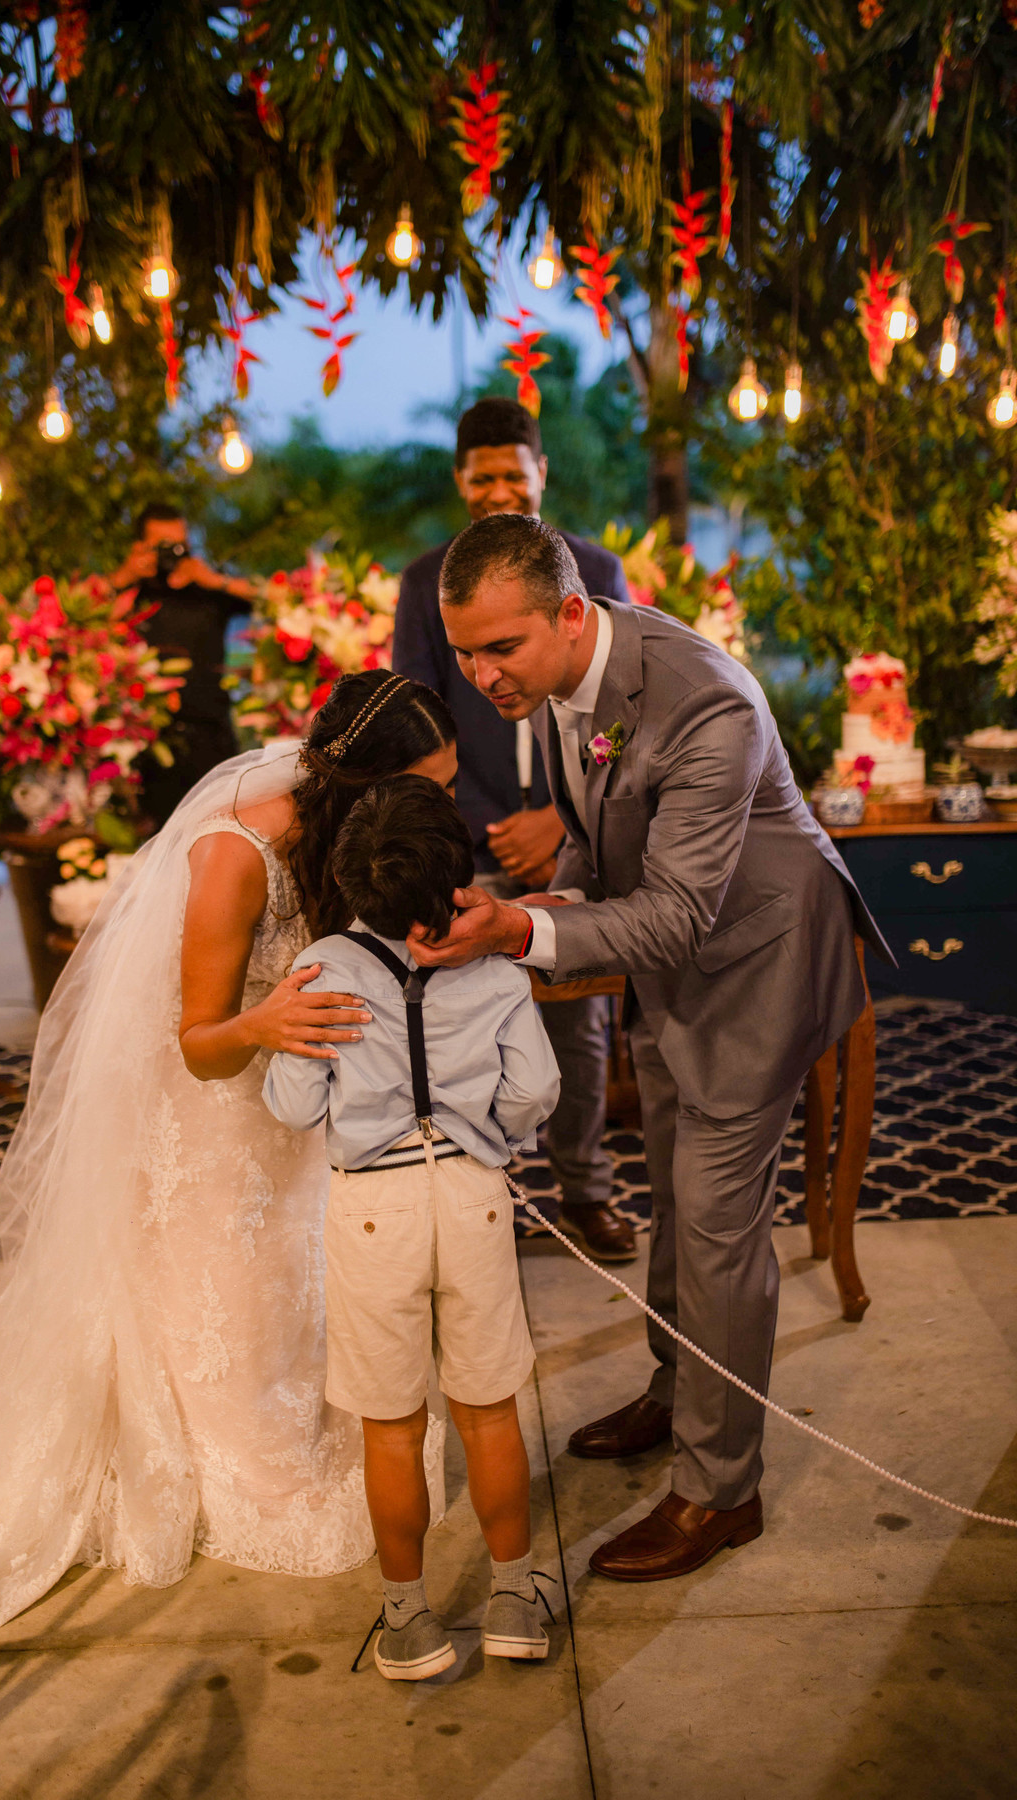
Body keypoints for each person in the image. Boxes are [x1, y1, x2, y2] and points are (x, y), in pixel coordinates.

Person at [0, 671, 459, 1630]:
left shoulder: (362, 847)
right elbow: (197, 1042)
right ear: (366, 785)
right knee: (230, 1304)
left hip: (299, 1112)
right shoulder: (236, 852)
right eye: (432, 787)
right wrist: (270, 1020)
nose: (446, 808)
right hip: (215, 1118)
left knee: (301, 1287)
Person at [406, 514, 893, 1582]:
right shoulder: (566, 676)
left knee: (717, 1222)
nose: (481, 675)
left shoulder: (703, 697)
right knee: (675, 1196)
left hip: (756, 960)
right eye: (466, 652)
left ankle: (722, 1491)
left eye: (502, 649)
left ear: (571, 615)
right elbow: (606, 830)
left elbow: (673, 914)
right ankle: (679, 1389)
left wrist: (519, 929)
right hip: (675, 964)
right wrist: (543, 895)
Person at [263, 775, 561, 1680]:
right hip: (471, 1195)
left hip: (372, 1212)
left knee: (390, 1427)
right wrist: (491, 1141)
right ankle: (514, 1598)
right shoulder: (498, 964)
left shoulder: (321, 968)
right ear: (454, 871)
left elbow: (293, 1101)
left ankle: (408, 1622)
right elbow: (535, 1089)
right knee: (490, 1408)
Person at [393, 397, 636, 1264]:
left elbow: (623, 714)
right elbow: (420, 712)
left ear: (542, 474)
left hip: (572, 829)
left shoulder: (597, 565)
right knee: (464, 1020)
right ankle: (484, 1201)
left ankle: (586, 1192)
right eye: (482, 474)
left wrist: (557, 820)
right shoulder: (429, 581)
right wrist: (482, 824)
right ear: (462, 482)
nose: (500, 487)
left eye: (514, 471)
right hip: (473, 834)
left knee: (579, 1023)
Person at [107, 502, 256, 827]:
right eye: (163, 546)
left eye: (180, 544)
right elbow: (77, 621)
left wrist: (214, 579)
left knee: (218, 833)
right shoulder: (130, 594)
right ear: (140, 546)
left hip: (212, 735)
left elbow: (268, 597)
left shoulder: (205, 589)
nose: (173, 553)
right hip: (148, 744)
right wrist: (125, 575)